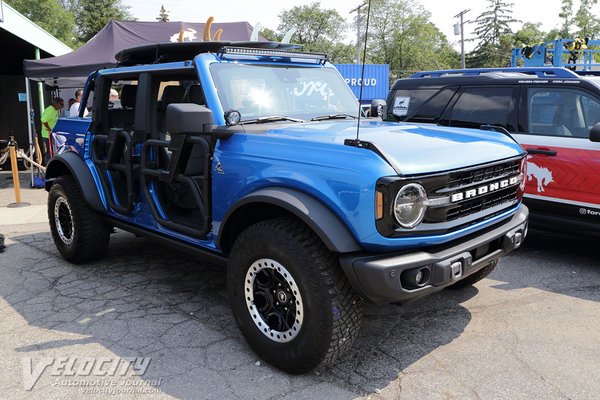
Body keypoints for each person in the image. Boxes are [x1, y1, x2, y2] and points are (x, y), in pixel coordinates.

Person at [40, 97, 64, 163]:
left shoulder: (55, 110)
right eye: (61, 104)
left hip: (52, 134)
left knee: (53, 151)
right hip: (47, 135)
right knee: (50, 151)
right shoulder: (50, 110)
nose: (62, 106)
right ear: (56, 104)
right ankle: (48, 164)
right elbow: (43, 120)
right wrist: (49, 129)